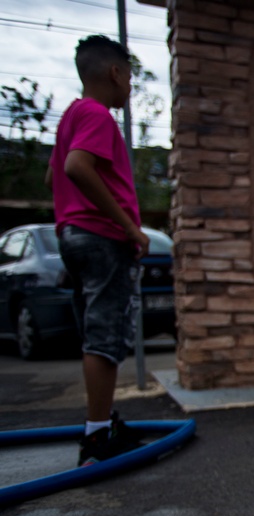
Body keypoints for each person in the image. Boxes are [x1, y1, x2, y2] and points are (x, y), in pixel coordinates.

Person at [45, 35, 150, 467]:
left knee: (94, 332)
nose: (130, 88)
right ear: (116, 73)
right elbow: (75, 167)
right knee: (106, 334)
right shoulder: (96, 116)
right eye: (130, 79)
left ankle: (101, 423)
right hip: (101, 237)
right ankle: (97, 437)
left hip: (74, 233)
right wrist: (128, 227)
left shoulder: (71, 115)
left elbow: (55, 179)